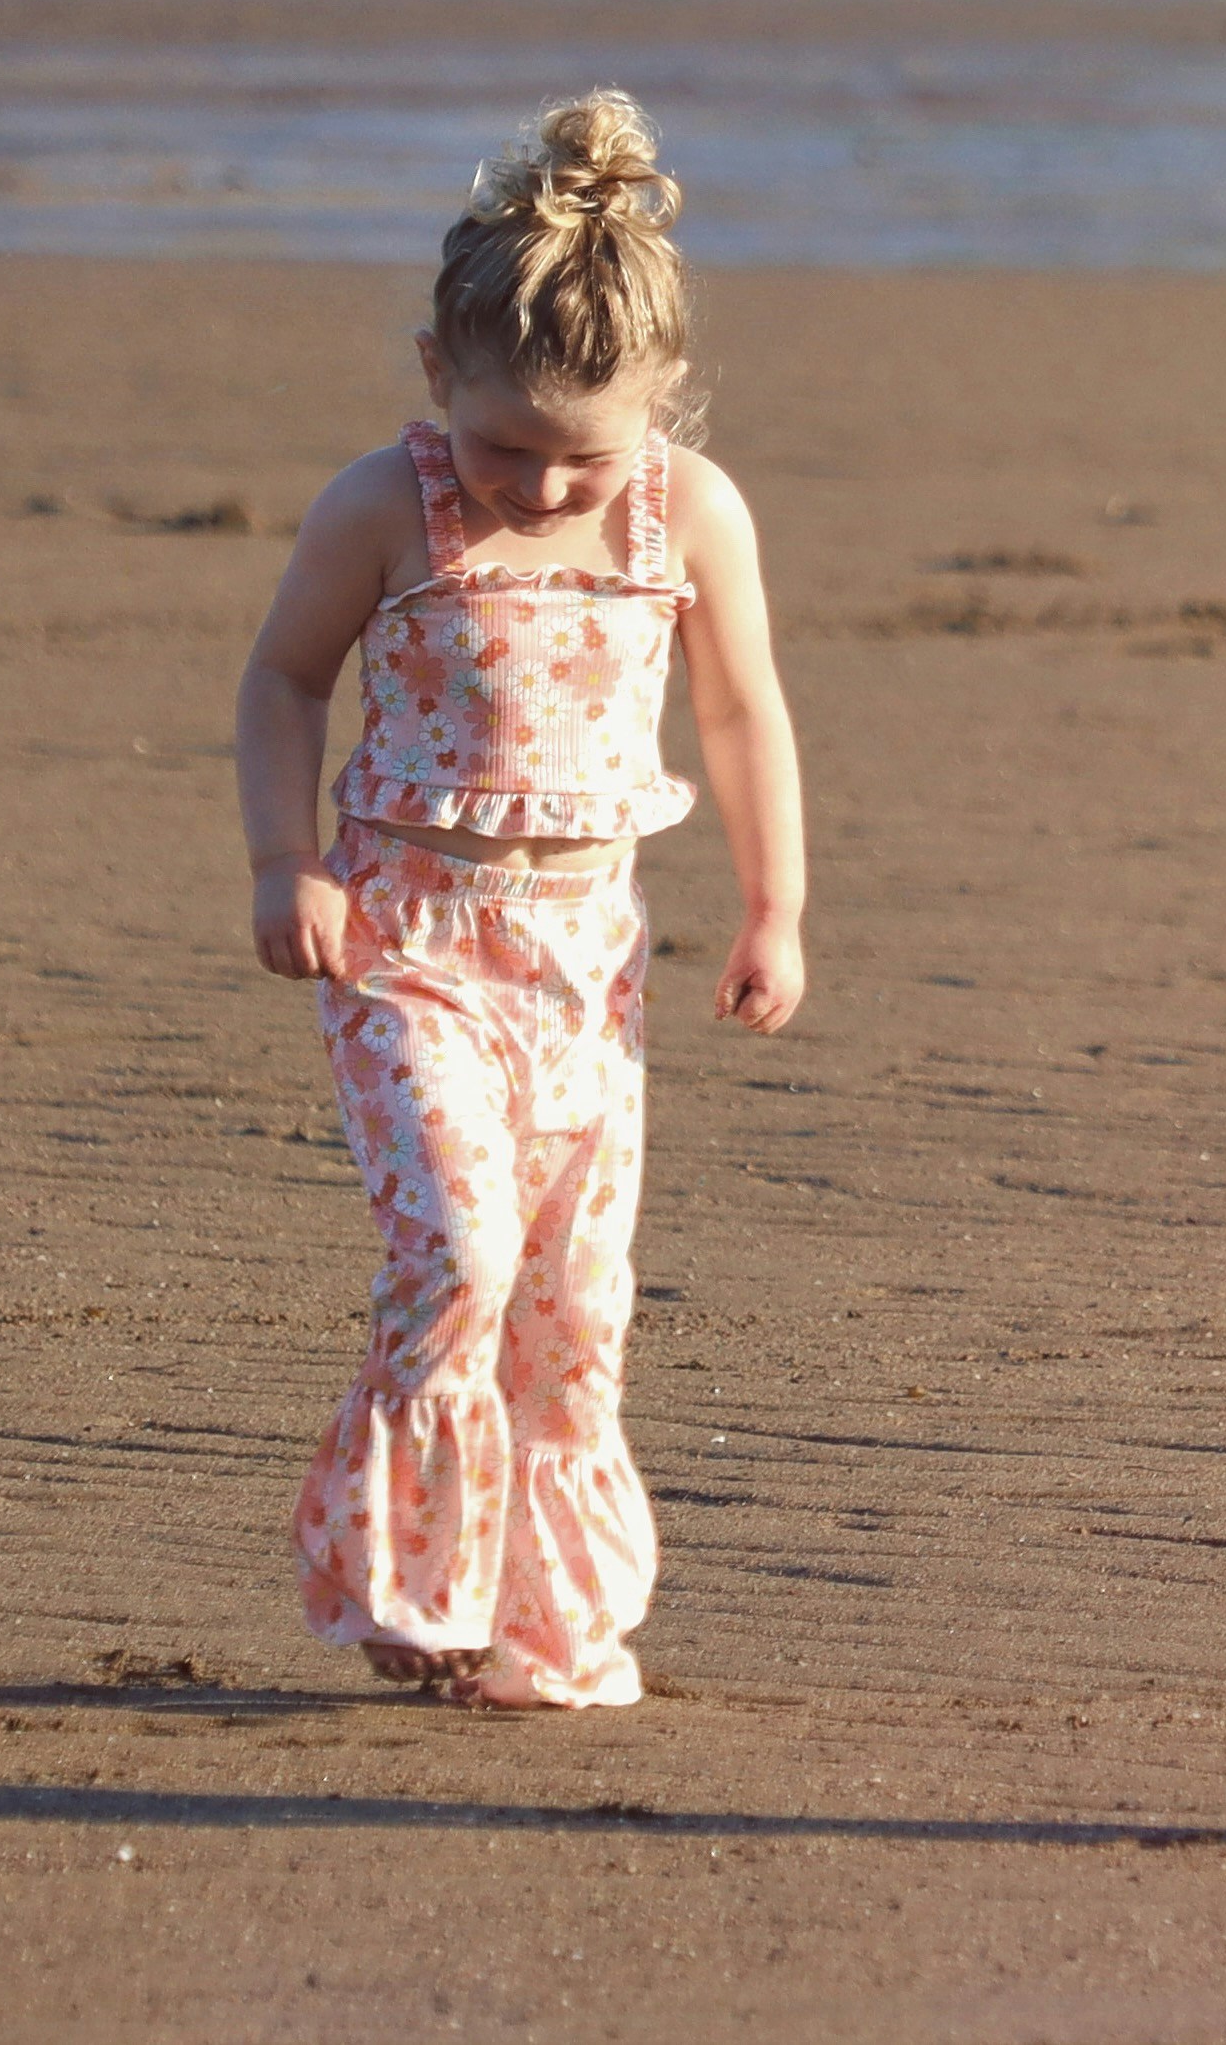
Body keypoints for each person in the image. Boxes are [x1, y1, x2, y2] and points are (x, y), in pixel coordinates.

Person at [233, 89, 806, 1711]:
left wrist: (774, 906)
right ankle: (410, 1591)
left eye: (586, 455)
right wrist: (287, 864)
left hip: (584, 959)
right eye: (505, 449)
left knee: (574, 1305)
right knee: (463, 1255)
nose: (544, 490)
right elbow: (281, 681)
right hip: (408, 942)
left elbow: (742, 710)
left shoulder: (689, 513)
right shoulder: (381, 507)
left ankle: (546, 1623)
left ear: (662, 407)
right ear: (434, 373)